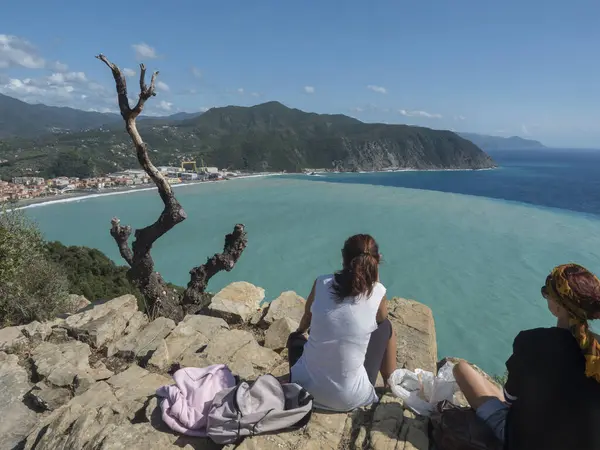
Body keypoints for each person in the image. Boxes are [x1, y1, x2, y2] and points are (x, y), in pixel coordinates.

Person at [453, 263, 600, 450]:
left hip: (523, 441)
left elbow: (509, 398)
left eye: (547, 292)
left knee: (461, 369)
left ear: (557, 307)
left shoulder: (531, 341)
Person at [288, 234, 397, 412]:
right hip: (349, 399)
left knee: (295, 339)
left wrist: (300, 332)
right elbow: (381, 319)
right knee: (386, 327)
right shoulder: (378, 292)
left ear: (342, 256)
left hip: (305, 390)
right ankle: (390, 384)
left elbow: (307, 318)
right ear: (377, 261)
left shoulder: (321, 282)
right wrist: (374, 275)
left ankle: (310, 376)